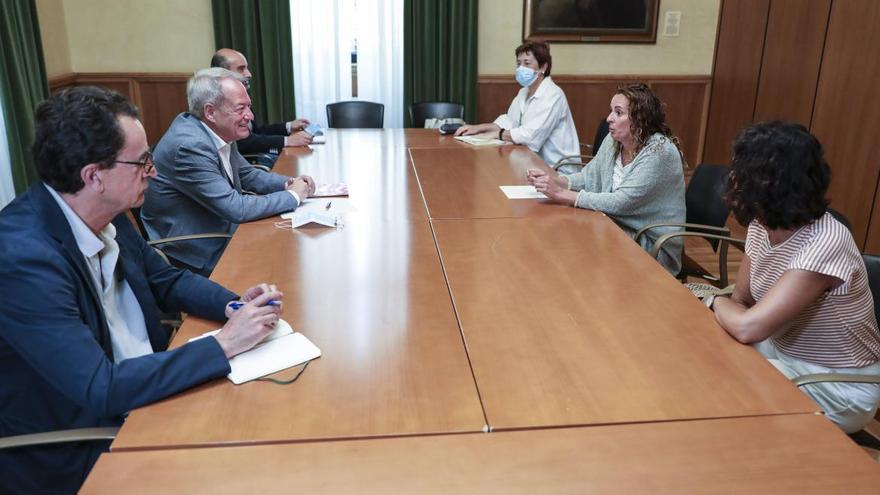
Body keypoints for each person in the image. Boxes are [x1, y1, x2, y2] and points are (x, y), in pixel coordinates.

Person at [0, 86, 287, 494]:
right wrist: (224, 344)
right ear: (93, 176)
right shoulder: (22, 260)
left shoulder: (101, 212)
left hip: (147, 386)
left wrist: (237, 305)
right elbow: (100, 389)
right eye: (142, 162)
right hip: (86, 439)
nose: (152, 171)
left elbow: (166, 281)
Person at [710, 121, 880, 433]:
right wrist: (727, 306)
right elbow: (742, 300)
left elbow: (748, 325)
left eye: (741, 169)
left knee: (726, 387)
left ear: (771, 182)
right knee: (710, 355)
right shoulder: (762, 224)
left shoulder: (827, 240)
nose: (733, 177)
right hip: (780, 349)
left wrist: (713, 299)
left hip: (838, 383)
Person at [141, 67, 315, 276]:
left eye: (249, 107)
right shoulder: (189, 145)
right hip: (196, 248)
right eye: (240, 108)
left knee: (295, 252)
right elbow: (236, 208)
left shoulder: (218, 129)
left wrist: (289, 183)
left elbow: (246, 174)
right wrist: (293, 196)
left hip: (220, 227)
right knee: (288, 262)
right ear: (210, 112)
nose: (249, 116)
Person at [526, 83, 686, 275]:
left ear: (640, 118)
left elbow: (622, 202)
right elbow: (589, 176)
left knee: (572, 245)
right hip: (612, 226)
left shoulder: (660, 152)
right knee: (563, 236)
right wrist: (557, 180)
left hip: (650, 244)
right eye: (611, 111)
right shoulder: (614, 141)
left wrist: (561, 194)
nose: (609, 118)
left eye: (618, 113)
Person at [454, 40, 580, 173]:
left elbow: (530, 136)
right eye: (518, 64)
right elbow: (510, 121)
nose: (521, 68)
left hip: (557, 170)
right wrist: (478, 128)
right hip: (531, 162)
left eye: (527, 63)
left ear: (543, 67)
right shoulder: (524, 92)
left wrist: (496, 134)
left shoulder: (553, 95)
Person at [211, 48, 313, 154]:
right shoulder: (218, 103)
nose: (249, 74)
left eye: (246, 68)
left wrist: (288, 126)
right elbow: (241, 143)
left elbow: (257, 131)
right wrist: (287, 141)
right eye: (241, 69)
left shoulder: (241, 96)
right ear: (222, 73)